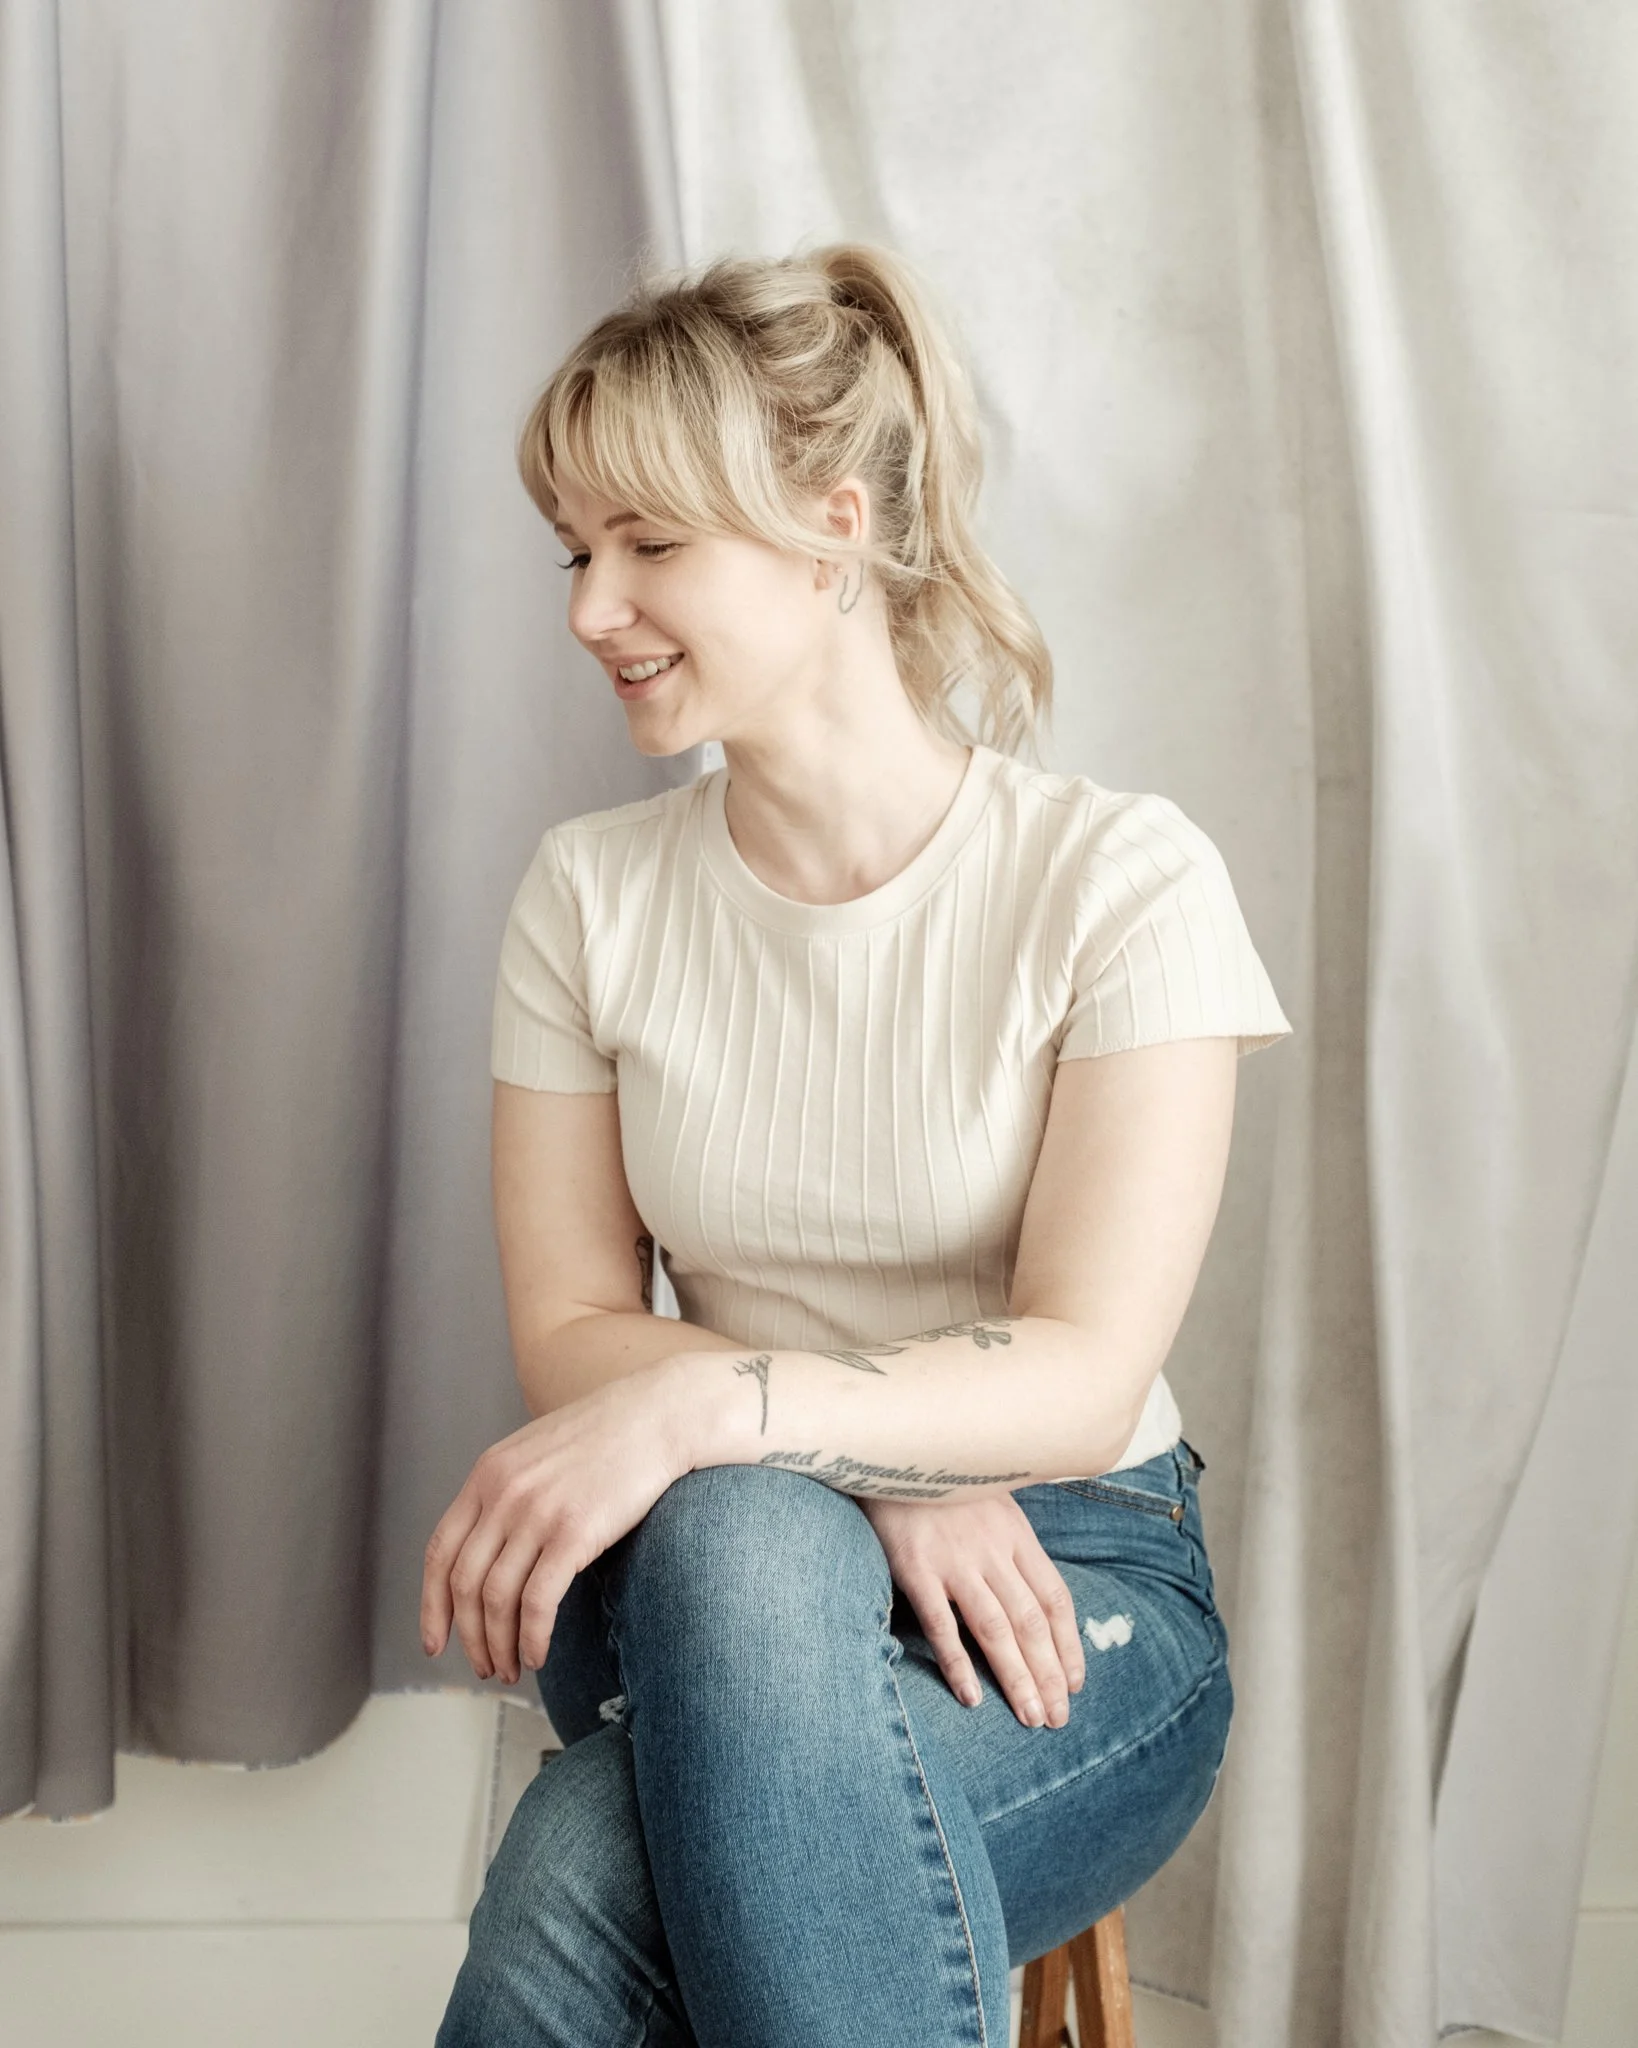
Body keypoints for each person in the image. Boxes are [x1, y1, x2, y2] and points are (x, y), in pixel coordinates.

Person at [423, 240, 1293, 2047]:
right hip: (691, 1578)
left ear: (831, 534)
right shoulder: (589, 897)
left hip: (1066, 1580)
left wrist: (731, 1415)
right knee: (746, 1538)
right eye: (574, 552)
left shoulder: (1116, 880)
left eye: (649, 543)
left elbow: (1080, 1374)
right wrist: (862, 1466)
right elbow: (569, 1332)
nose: (591, 608)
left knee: (579, 1879)